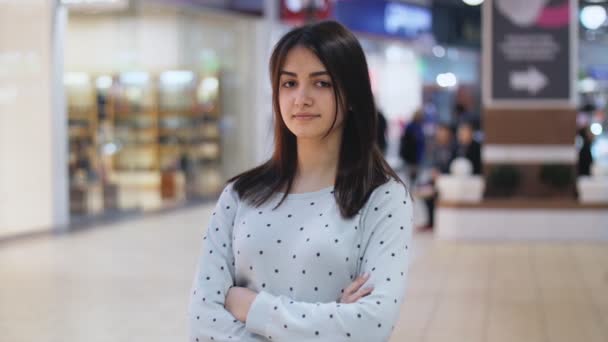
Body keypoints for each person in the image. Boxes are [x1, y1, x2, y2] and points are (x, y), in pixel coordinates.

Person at [188, 21, 413, 342]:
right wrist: (330, 320)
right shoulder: (240, 195)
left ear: (350, 94)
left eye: (321, 83)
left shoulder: (382, 198)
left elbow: (370, 325)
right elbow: (202, 319)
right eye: (289, 83)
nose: (301, 98)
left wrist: (252, 307)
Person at [421, 123, 455, 230]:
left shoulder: (453, 148)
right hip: (436, 179)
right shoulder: (436, 148)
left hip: (448, 179)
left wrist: (442, 173)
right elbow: (433, 164)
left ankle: (436, 222)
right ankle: (430, 221)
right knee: (425, 190)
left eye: (443, 132)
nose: (440, 134)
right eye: (439, 132)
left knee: (435, 193)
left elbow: (453, 166)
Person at [399, 109, 425, 183]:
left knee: (415, 176)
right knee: (409, 175)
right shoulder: (410, 127)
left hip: (417, 155)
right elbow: (406, 141)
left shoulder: (419, 127)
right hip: (411, 155)